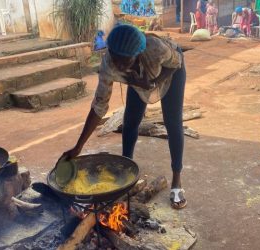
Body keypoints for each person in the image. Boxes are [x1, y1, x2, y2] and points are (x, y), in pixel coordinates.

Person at [61, 25, 187, 209]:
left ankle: (177, 180)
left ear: (137, 53)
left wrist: (152, 82)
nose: (118, 65)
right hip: (138, 80)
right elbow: (99, 106)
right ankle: (126, 174)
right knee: (129, 124)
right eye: (115, 58)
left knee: (173, 122)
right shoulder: (109, 64)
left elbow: (177, 63)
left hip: (170, 73)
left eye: (124, 61)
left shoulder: (155, 48)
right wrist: (78, 146)